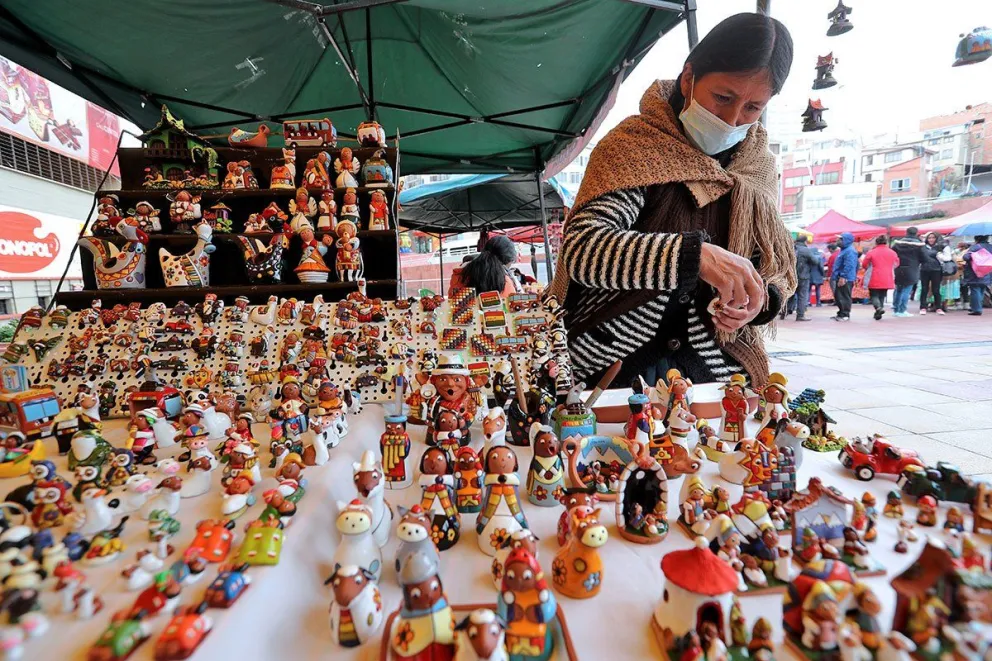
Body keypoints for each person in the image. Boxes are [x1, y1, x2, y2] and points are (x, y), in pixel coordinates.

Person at [549, 12, 796, 388]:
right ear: (688, 78)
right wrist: (695, 257)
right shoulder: (635, 146)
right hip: (608, 366)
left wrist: (758, 301)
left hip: (714, 370)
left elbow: (775, 265)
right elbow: (583, 249)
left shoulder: (756, 166)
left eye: (752, 107)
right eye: (723, 97)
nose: (732, 119)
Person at [449, 235, 519, 297]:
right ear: (506, 262)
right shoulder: (505, 282)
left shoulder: (459, 275)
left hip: (463, 310)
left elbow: (455, 306)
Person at [860, 235, 899, 320]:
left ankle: (878, 308)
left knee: (874, 294)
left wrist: (869, 268)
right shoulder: (892, 252)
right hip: (888, 276)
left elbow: (864, 264)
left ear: (876, 242)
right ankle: (878, 312)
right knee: (882, 295)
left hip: (874, 275)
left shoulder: (872, 252)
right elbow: (896, 264)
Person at [891, 227, 926, 317]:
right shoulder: (919, 245)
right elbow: (924, 258)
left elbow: (892, 254)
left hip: (898, 268)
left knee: (898, 289)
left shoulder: (897, 244)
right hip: (912, 269)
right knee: (906, 290)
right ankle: (902, 310)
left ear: (906, 232)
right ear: (916, 233)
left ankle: (896, 309)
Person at [919, 231, 951, 315]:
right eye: (929, 238)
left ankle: (938, 307)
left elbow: (948, 258)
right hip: (924, 270)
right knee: (924, 289)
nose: (931, 239)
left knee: (936, 289)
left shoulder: (941, 247)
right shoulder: (923, 247)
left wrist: (940, 256)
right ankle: (923, 307)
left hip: (936, 270)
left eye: (933, 237)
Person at [789, 235, 818, 321]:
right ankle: (800, 315)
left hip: (791, 276)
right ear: (805, 241)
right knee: (802, 295)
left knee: (790, 294)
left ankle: (784, 311)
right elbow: (815, 261)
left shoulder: (791, 248)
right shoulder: (806, 250)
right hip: (803, 276)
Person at [962, 234, 992, 316]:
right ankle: (978, 307)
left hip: (975, 272)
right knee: (981, 289)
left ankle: (976, 309)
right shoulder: (990, 247)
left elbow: (966, 257)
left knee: (975, 290)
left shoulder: (975, 247)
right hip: (987, 271)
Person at [831, 232, 858, 321]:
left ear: (845, 240)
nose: (837, 240)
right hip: (842, 276)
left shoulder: (850, 251)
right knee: (839, 296)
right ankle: (841, 313)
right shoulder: (844, 250)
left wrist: (843, 277)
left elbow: (849, 265)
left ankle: (845, 314)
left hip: (846, 278)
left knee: (844, 296)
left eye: (840, 239)